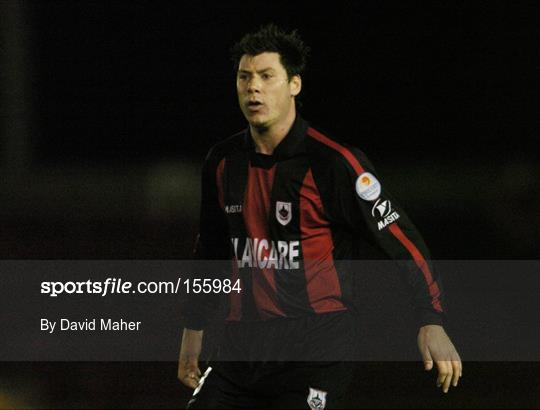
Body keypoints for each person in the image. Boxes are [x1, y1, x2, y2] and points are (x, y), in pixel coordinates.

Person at [178, 24, 462, 409]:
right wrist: (193, 327)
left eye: (266, 76)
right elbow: (210, 249)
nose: (253, 87)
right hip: (240, 350)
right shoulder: (223, 162)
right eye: (245, 77)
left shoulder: (333, 163)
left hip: (315, 349)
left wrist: (432, 319)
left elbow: (401, 239)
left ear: (294, 84)